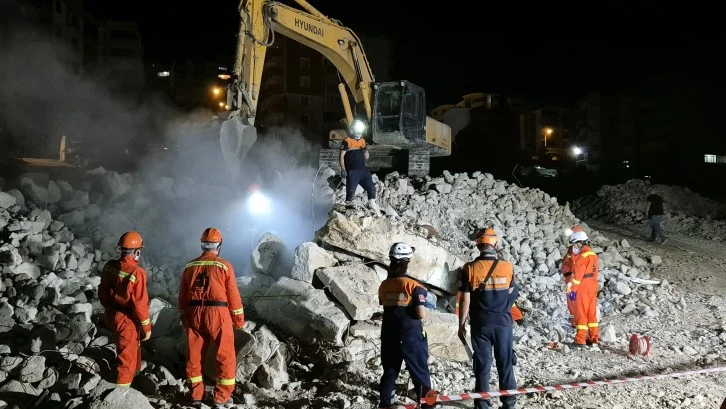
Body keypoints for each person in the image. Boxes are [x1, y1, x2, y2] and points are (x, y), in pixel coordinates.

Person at [178, 228, 245, 407]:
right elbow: (233, 295)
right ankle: (220, 398)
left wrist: (184, 317)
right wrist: (238, 319)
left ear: (202, 245)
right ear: (219, 246)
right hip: (217, 314)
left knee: (194, 355)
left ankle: (196, 396)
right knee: (224, 355)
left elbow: (183, 295)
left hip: (194, 313)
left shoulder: (189, 266)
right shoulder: (224, 265)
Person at [458, 228, 518, 409]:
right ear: (495, 244)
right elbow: (512, 293)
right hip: (503, 324)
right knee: (505, 363)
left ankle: (483, 405)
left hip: (480, 324)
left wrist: (461, 325)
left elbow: (465, 299)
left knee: (483, 364)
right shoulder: (508, 267)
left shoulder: (469, 268)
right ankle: (509, 403)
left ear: (478, 245)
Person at [378, 242, 435, 409]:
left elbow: (386, 304)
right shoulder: (414, 286)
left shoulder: (384, 285)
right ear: (407, 262)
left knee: (389, 371)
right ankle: (428, 405)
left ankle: (385, 404)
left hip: (389, 334)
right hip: (410, 336)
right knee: (420, 373)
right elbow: (421, 314)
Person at [98, 231, 152, 387]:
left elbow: (102, 290)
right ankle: (121, 393)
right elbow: (140, 304)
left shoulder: (110, 266)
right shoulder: (137, 273)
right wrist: (147, 328)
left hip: (111, 313)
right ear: (137, 251)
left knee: (130, 346)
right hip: (126, 318)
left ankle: (133, 378)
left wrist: (108, 308)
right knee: (126, 357)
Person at [566, 230, 600, 348]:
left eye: (575, 244)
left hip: (583, 287)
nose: (574, 247)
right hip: (593, 286)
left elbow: (577, 276)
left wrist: (572, 290)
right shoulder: (593, 255)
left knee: (581, 312)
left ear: (580, 242)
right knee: (592, 313)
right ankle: (593, 338)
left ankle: (580, 340)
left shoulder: (581, 257)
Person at [339, 118, 380, 214]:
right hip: (352, 172)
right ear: (352, 129)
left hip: (363, 171)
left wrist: (366, 151)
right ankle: (348, 212)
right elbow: (341, 156)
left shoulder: (362, 140)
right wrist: (343, 169)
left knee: (371, 188)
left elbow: (366, 153)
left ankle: (372, 204)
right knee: (350, 192)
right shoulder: (347, 141)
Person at [561, 226, 583, 327]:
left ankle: (580, 321)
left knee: (578, 300)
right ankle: (574, 320)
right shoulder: (571, 250)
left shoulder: (582, 252)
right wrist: (566, 275)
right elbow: (566, 264)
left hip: (579, 279)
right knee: (571, 299)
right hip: (571, 278)